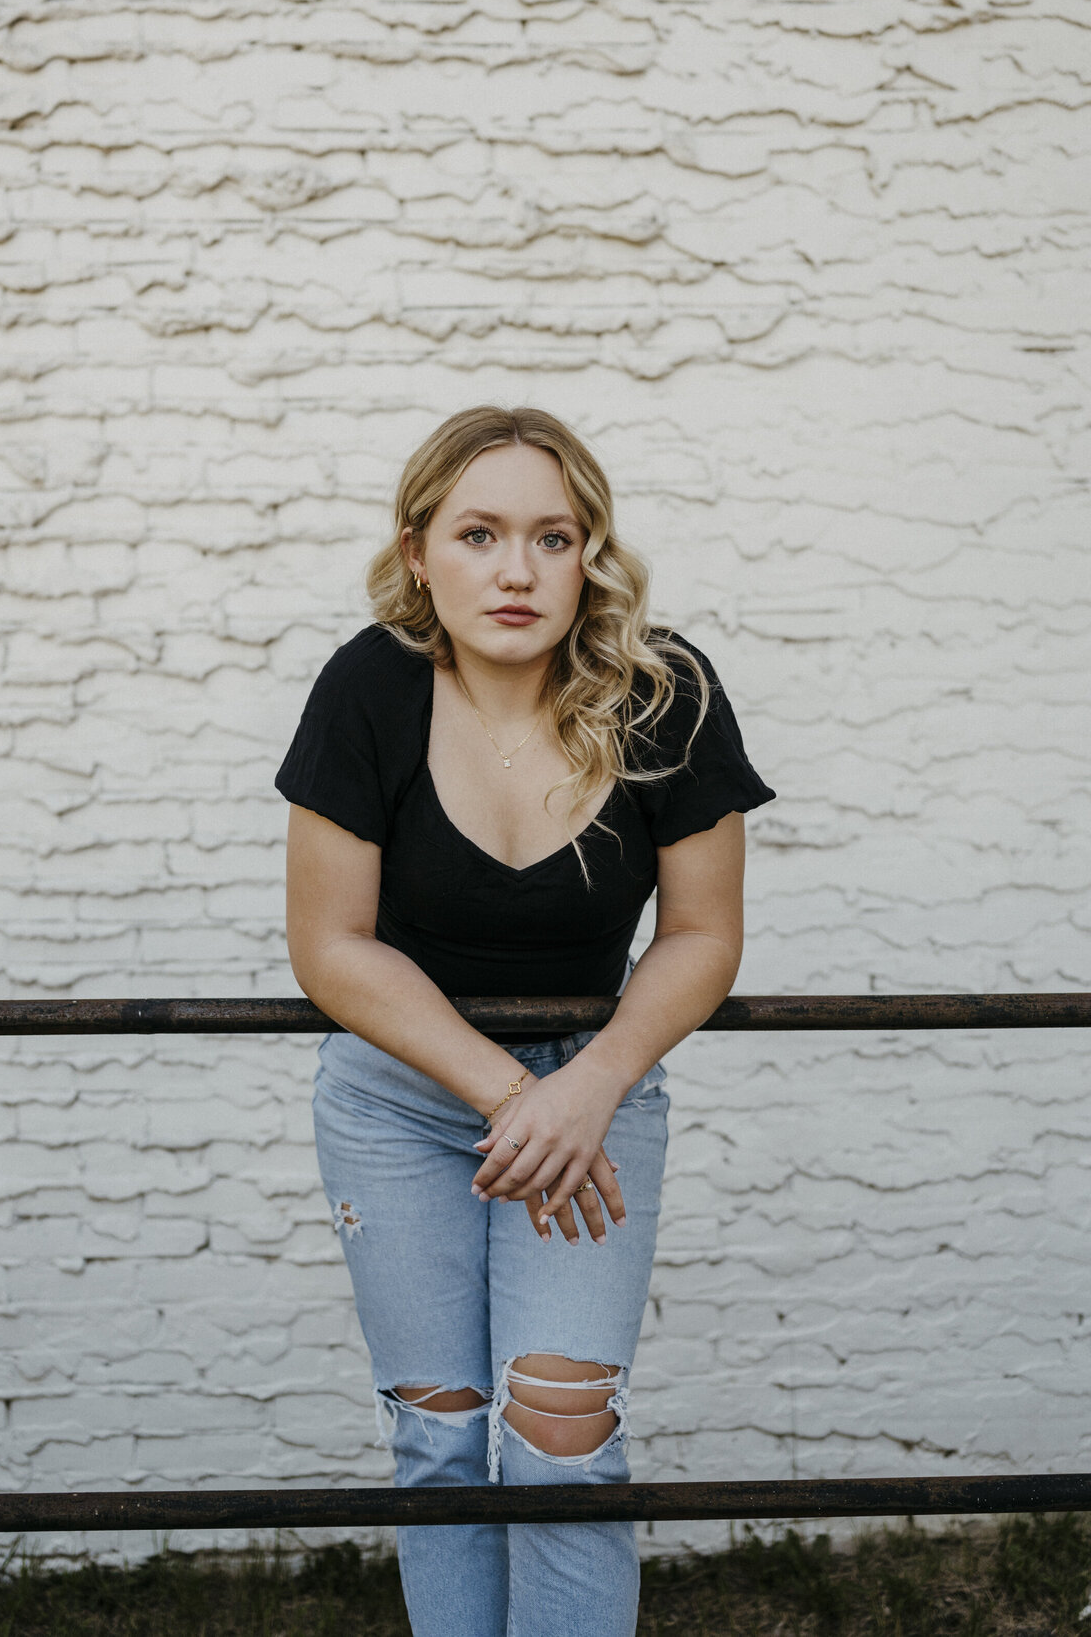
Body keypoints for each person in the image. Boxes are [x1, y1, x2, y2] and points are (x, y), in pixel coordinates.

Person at [277, 405, 774, 1637]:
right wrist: (513, 1093)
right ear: (419, 550)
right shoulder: (371, 687)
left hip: (592, 1101)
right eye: (479, 534)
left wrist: (589, 1082)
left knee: (561, 1437)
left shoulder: (664, 690)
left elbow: (704, 935)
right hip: (405, 1105)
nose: (515, 571)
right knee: (439, 1439)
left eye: (552, 538)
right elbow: (329, 945)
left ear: (589, 552)